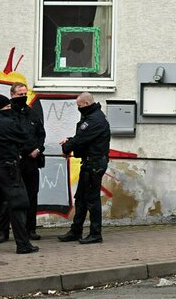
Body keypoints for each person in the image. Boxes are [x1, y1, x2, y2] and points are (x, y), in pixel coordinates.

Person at [0, 94, 39, 254]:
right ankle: (23, 245)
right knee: (17, 204)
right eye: (7, 107)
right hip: (8, 169)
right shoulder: (7, 123)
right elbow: (25, 137)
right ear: (2, 108)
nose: (10, 110)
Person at [0, 83, 46, 243]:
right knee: (7, 197)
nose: (23, 97)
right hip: (16, 161)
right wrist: (27, 150)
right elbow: (12, 136)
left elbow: (41, 134)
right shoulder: (8, 115)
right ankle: (2, 232)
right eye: (20, 94)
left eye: (25, 94)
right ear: (12, 95)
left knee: (31, 196)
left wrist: (38, 148)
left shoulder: (32, 113)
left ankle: (30, 229)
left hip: (32, 162)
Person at [57, 92, 110, 244]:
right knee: (81, 198)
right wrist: (70, 140)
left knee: (92, 200)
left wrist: (66, 147)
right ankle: (76, 230)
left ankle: (95, 234)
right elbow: (83, 138)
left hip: (94, 164)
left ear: (86, 104)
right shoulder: (92, 116)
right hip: (89, 163)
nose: (78, 109)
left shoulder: (94, 119)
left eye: (79, 106)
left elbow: (81, 138)